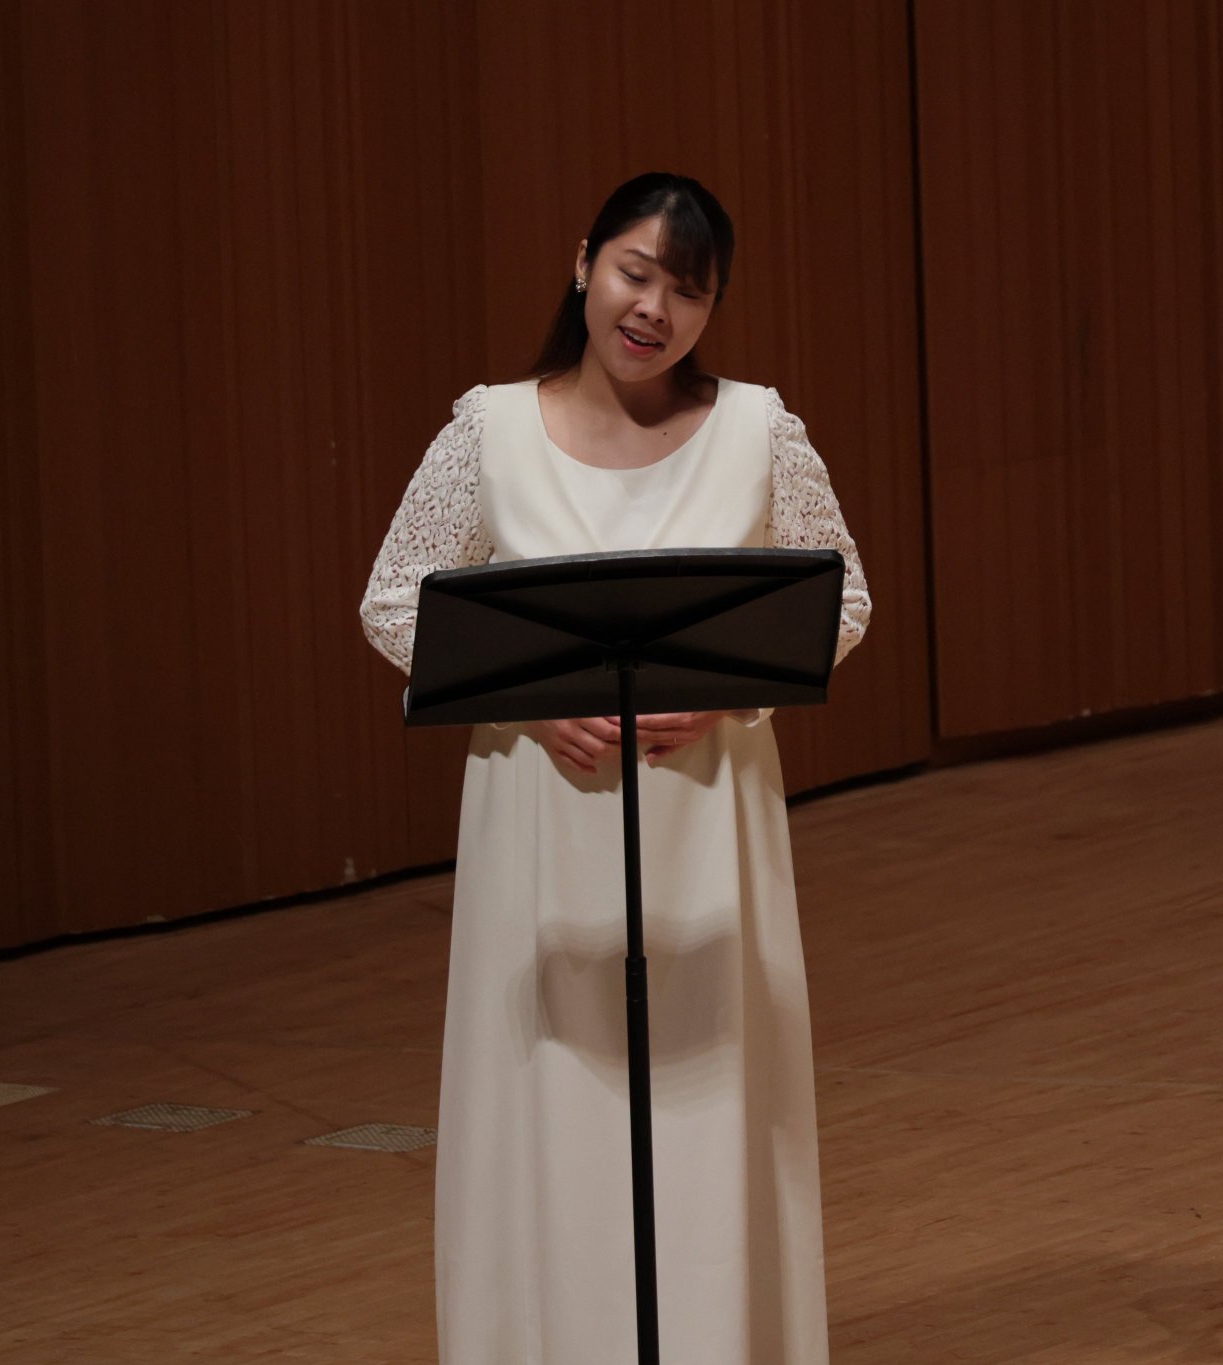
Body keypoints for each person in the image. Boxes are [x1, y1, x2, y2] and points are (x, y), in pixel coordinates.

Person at [360, 172, 869, 1364]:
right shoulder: (487, 428)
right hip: (544, 811)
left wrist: (726, 689)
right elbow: (393, 601)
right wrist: (533, 705)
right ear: (584, 263)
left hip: (704, 812)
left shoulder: (757, 427)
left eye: (686, 292)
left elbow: (840, 599)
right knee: (550, 1093)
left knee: (709, 1088)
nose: (653, 310)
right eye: (635, 274)